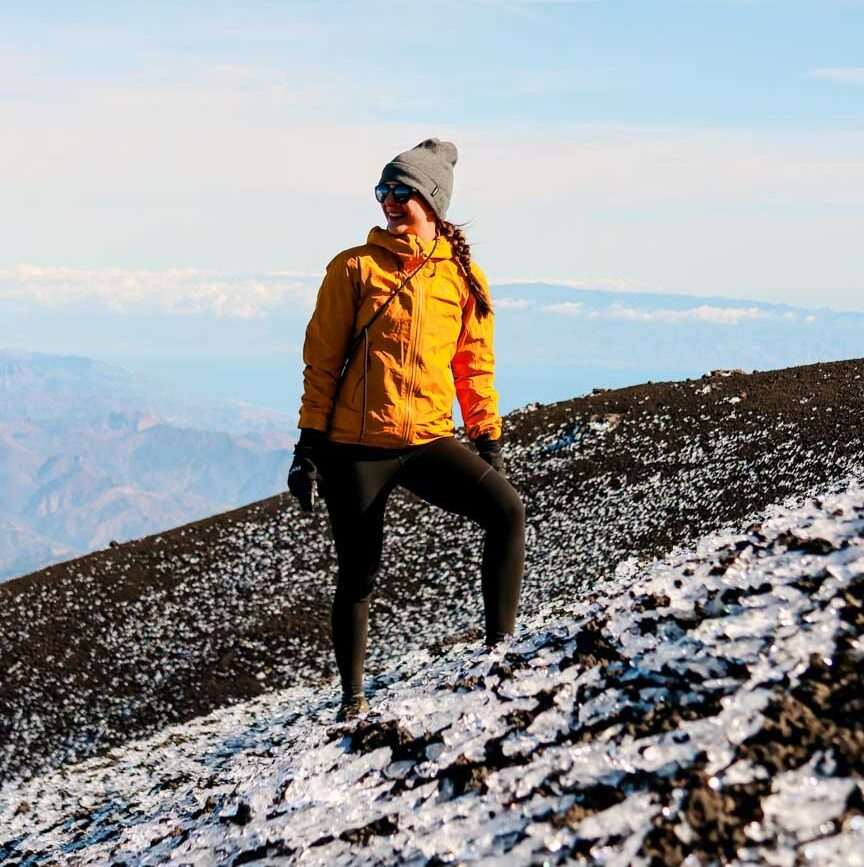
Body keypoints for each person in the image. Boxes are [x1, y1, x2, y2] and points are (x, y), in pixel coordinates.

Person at [288, 138, 525, 721]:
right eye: (383, 191)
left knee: (507, 512)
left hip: (427, 441)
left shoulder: (463, 276)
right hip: (355, 448)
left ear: (433, 203)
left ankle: (499, 656)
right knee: (360, 572)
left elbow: (473, 365)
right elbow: (321, 362)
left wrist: (487, 438)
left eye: (402, 193)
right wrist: (308, 447)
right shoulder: (353, 268)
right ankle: (353, 701)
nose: (390, 202)